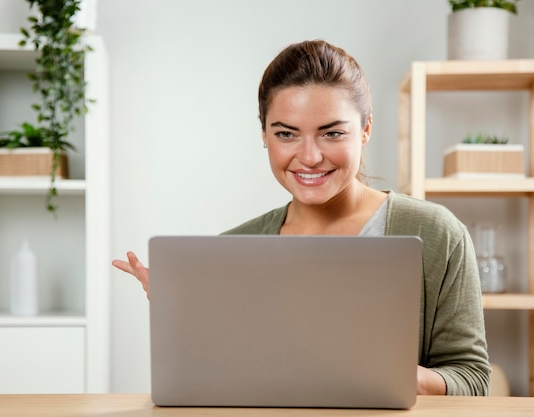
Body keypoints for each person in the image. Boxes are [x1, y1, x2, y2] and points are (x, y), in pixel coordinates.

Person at [112, 39, 491, 396]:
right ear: (264, 134)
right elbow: (223, 381)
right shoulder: (233, 249)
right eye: (286, 134)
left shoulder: (436, 233)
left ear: (365, 130)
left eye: (332, 133)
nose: (309, 157)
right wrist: (185, 314)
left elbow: (471, 380)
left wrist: (382, 372)